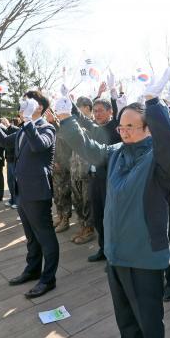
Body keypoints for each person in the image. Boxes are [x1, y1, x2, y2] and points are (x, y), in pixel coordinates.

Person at [56, 71, 170, 338]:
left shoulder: (159, 158)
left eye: (130, 126)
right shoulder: (116, 152)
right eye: (121, 126)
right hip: (116, 251)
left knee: (149, 320)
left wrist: (156, 105)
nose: (123, 131)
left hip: (145, 255)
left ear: (148, 129)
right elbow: (91, 148)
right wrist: (66, 119)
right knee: (125, 316)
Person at [0, 91, 58, 299]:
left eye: (27, 102)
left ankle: (48, 279)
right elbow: (3, 141)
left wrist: (27, 122)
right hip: (22, 191)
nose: (22, 106)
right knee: (31, 236)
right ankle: (32, 270)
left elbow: (38, 145)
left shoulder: (47, 128)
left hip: (37, 191)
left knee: (45, 236)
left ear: (39, 107)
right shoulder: (22, 130)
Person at [69, 80, 122, 262]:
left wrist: (113, 94)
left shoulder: (115, 128)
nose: (97, 114)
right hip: (93, 178)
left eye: (101, 111)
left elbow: (118, 114)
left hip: (109, 179)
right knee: (97, 215)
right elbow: (81, 119)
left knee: (110, 217)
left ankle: (114, 251)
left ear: (110, 112)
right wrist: (69, 102)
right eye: (95, 111)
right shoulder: (93, 127)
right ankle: (103, 249)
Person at [69, 96, 96, 244]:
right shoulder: (76, 124)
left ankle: (89, 230)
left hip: (87, 171)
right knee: (77, 201)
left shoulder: (93, 124)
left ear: (87, 108)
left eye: (80, 107)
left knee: (87, 202)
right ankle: (83, 227)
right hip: (75, 169)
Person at [52, 125, 73, 233]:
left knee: (64, 195)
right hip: (55, 169)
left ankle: (65, 220)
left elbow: (68, 150)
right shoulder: (54, 128)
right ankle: (60, 217)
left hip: (64, 168)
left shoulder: (66, 128)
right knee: (57, 195)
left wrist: (61, 163)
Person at [1, 117, 21, 209]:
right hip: (9, 159)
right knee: (10, 181)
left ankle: (17, 201)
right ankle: (12, 199)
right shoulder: (6, 130)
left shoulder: (17, 129)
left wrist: (8, 126)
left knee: (15, 181)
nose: (3, 123)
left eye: (4, 122)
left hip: (14, 160)